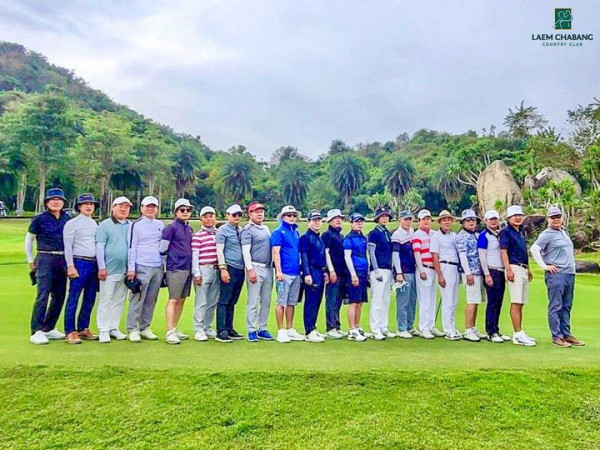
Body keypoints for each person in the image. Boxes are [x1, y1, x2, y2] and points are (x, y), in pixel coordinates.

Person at [531, 206, 585, 348]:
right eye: (553, 217)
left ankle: (566, 334)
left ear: (562, 218)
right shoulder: (546, 234)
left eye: (558, 217)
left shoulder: (563, 231)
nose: (556, 219)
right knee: (556, 305)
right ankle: (557, 336)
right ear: (548, 219)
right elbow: (534, 249)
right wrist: (544, 266)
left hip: (569, 273)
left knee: (566, 305)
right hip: (556, 275)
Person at [25, 188, 70, 345]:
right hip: (45, 257)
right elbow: (29, 240)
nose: (56, 202)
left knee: (59, 295)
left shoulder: (67, 218)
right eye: (52, 199)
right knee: (43, 294)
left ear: (63, 202)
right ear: (47, 203)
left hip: (62, 259)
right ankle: (36, 330)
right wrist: (31, 260)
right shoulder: (40, 218)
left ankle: (49, 328)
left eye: (59, 199)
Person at [126, 195, 164, 343]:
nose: (150, 209)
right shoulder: (136, 225)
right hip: (141, 265)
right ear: (142, 208)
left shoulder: (160, 224)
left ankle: (145, 327)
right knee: (138, 298)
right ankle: (132, 328)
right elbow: (132, 247)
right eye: (147, 206)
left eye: (153, 206)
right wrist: (131, 268)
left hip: (157, 266)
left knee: (151, 299)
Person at [62, 193, 99, 344]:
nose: (89, 206)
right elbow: (68, 246)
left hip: (93, 263)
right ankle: (70, 331)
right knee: (74, 297)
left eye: (91, 204)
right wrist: (70, 266)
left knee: (90, 297)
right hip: (79, 262)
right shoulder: (72, 223)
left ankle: (83, 327)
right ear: (79, 207)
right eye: (85, 204)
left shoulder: (94, 223)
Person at [96, 196, 132, 343]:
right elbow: (99, 246)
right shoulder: (104, 225)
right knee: (106, 299)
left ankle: (113, 327)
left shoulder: (131, 225)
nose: (123, 209)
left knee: (119, 300)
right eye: (120, 206)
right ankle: (103, 330)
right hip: (109, 270)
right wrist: (101, 267)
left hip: (125, 271)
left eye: (127, 207)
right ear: (113, 207)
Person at [499, 205, 535, 347]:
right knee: (516, 301)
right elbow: (503, 251)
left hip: (523, 268)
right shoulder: (505, 232)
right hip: (514, 267)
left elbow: (524, 251)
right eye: (515, 216)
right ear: (509, 218)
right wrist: (508, 270)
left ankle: (519, 332)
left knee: (521, 302)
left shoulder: (521, 232)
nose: (518, 218)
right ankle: (517, 333)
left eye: (519, 215)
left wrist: (529, 269)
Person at [161, 198, 194, 344]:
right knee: (173, 299)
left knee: (181, 299)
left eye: (188, 210)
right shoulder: (171, 227)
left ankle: (174, 328)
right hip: (175, 268)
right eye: (182, 210)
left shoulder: (189, 228)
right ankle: (169, 332)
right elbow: (162, 249)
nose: (186, 212)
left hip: (187, 267)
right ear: (176, 212)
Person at [241, 202, 274, 342]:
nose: (260, 214)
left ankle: (263, 328)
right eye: (256, 212)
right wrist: (250, 270)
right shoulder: (248, 230)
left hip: (268, 268)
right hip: (255, 267)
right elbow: (245, 251)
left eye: (261, 211)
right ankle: (251, 329)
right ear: (250, 213)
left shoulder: (266, 228)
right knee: (253, 301)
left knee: (266, 301)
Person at [271, 205, 305, 343]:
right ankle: (281, 331)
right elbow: (275, 252)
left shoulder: (296, 232)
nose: (292, 217)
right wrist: (278, 271)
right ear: (283, 217)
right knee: (281, 302)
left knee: (291, 302)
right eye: (288, 215)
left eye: (293, 215)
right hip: (284, 272)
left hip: (295, 272)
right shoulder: (278, 232)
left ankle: (290, 329)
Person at [477, 210, 511, 343]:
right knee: (492, 302)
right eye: (490, 219)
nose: (493, 221)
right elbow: (482, 256)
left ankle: (496, 329)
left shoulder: (500, 235)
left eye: (495, 219)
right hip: (491, 271)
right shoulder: (484, 236)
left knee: (499, 302)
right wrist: (487, 274)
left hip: (501, 271)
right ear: (486, 221)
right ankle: (491, 332)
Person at [454, 209, 487, 342]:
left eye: (473, 220)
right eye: (468, 220)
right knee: (471, 300)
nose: (471, 222)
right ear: (463, 222)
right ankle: (467, 329)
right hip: (470, 273)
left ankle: (473, 327)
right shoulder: (461, 236)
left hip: (479, 272)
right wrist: (468, 273)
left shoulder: (476, 235)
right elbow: (463, 256)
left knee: (476, 300)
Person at [215, 204, 246, 343]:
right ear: (228, 215)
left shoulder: (240, 230)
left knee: (233, 301)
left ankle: (229, 328)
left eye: (239, 214)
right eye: (234, 215)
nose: (237, 217)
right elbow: (219, 250)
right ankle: (221, 330)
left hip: (240, 268)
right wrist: (223, 268)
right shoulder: (223, 230)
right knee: (224, 300)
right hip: (229, 267)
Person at [430, 210, 461, 340]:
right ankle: (447, 329)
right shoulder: (436, 237)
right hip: (445, 266)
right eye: (444, 220)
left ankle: (452, 327)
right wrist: (440, 275)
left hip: (455, 267)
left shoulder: (455, 236)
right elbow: (434, 257)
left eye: (449, 219)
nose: (447, 222)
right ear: (440, 223)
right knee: (447, 299)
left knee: (453, 300)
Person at [412, 209, 443, 339]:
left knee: (432, 299)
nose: (426, 221)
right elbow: (417, 253)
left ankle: (431, 326)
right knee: (424, 299)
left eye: (428, 219)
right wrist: (421, 269)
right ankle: (423, 327)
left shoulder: (435, 234)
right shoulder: (417, 235)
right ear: (419, 221)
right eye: (423, 219)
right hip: (424, 268)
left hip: (433, 269)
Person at [191, 206, 220, 341]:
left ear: (215, 217)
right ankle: (198, 329)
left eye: (211, 216)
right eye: (206, 216)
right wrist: (196, 273)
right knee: (201, 302)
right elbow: (195, 256)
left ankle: (207, 327)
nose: (209, 219)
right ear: (201, 219)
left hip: (216, 269)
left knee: (212, 301)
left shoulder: (218, 233)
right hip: (203, 269)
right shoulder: (198, 236)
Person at [299, 209, 328, 343]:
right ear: (308, 222)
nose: (317, 223)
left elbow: (322, 256)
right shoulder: (306, 238)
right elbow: (304, 256)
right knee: (311, 301)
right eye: (314, 220)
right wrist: (307, 273)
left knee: (317, 301)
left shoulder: (318, 237)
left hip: (320, 271)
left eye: (319, 220)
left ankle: (313, 327)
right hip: (311, 270)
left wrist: (325, 271)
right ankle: (309, 330)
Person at [368, 206, 395, 340]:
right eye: (382, 216)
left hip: (387, 269)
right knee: (377, 300)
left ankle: (383, 327)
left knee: (385, 300)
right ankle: (375, 328)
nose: (385, 218)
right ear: (377, 218)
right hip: (378, 270)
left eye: (386, 216)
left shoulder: (387, 233)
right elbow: (371, 252)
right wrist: (376, 268)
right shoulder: (374, 233)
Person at [343, 212, 370, 342]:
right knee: (354, 301)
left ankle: (357, 326)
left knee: (360, 302)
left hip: (363, 272)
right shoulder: (348, 238)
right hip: (355, 272)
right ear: (351, 223)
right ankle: (352, 329)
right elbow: (347, 257)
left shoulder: (363, 237)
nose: (359, 224)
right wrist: (353, 274)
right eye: (357, 222)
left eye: (361, 221)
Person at [322, 209, 348, 339]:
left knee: (338, 300)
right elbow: (325, 254)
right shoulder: (327, 235)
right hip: (334, 272)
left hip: (342, 271)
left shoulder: (340, 236)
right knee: (331, 300)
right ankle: (330, 327)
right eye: (335, 218)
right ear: (330, 221)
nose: (338, 220)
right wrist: (330, 270)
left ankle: (337, 326)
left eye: (340, 218)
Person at [391, 210, 418, 339]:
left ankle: (410, 326)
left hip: (413, 270)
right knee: (403, 301)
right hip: (403, 271)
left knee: (412, 300)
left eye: (410, 219)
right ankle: (401, 328)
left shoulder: (412, 232)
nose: (408, 222)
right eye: (405, 219)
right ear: (400, 220)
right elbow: (395, 255)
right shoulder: (397, 235)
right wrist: (399, 273)